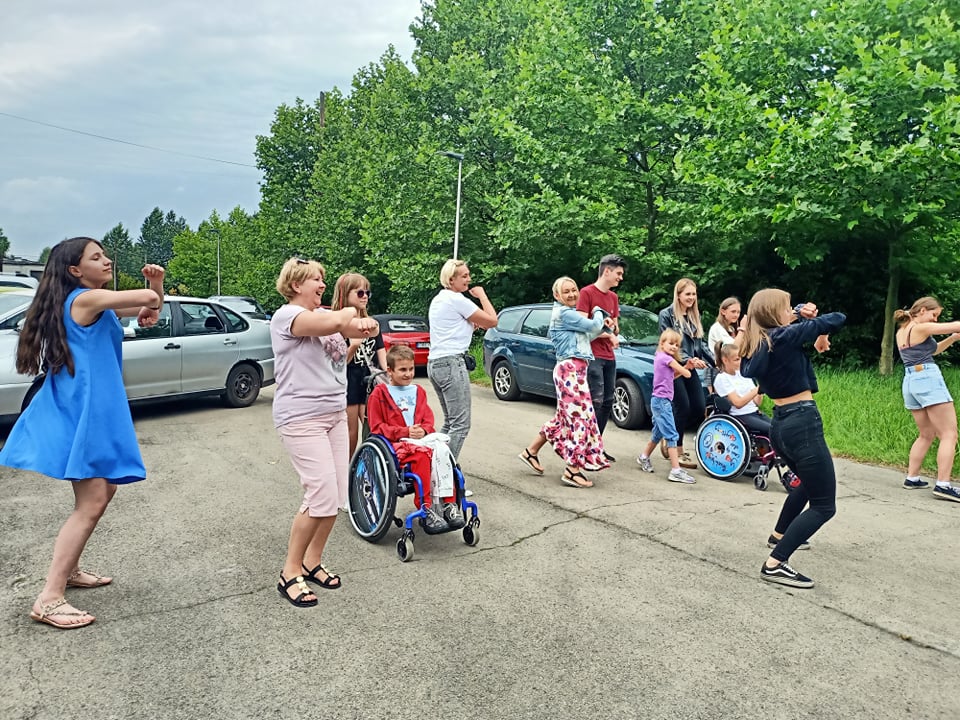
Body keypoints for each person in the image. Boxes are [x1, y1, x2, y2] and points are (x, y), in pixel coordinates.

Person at [0, 237, 164, 629]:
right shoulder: (84, 300)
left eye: (105, 255)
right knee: (91, 501)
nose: (107, 261)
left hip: (93, 407)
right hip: (84, 411)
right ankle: (49, 597)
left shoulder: (90, 302)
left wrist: (155, 288)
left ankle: (69, 570)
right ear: (75, 270)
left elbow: (149, 308)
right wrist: (151, 289)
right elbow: (146, 300)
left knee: (103, 491)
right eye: (97, 257)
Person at [271, 257, 379, 607]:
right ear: (295, 285)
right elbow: (340, 321)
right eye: (315, 279)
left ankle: (311, 561)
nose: (322, 284)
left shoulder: (325, 317)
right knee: (319, 494)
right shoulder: (287, 316)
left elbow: (366, 329)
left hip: (333, 414)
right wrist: (350, 313)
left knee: (334, 496)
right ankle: (290, 572)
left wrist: (362, 322)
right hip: (301, 418)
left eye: (323, 279)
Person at [738, 289, 845, 589]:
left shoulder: (760, 343)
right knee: (825, 506)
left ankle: (779, 535)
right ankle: (775, 563)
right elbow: (837, 318)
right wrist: (808, 317)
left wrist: (797, 313)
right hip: (802, 423)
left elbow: (790, 327)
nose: (791, 312)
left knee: (809, 485)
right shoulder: (784, 337)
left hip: (781, 425)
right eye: (786, 308)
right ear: (775, 314)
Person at [518, 277, 613, 488]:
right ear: (557, 295)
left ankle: (531, 452)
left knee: (563, 419)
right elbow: (593, 324)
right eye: (566, 291)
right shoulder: (565, 313)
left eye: (574, 290)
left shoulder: (568, 315)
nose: (572, 294)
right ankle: (572, 470)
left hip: (574, 370)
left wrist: (604, 328)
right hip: (570, 371)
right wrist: (599, 311)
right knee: (579, 419)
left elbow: (588, 334)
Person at [367, 344, 463, 530]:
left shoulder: (419, 391)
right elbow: (376, 427)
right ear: (390, 371)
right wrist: (405, 432)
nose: (408, 374)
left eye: (411, 369)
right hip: (395, 445)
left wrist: (424, 431)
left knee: (443, 450)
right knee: (422, 455)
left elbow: (428, 420)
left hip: (420, 440)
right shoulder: (379, 394)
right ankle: (426, 508)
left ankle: (449, 504)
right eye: (402, 370)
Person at [426, 259, 498, 460]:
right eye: (464, 276)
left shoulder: (439, 299)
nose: (469, 279)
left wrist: (470, 325)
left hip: (435, 363)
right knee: (460, 424)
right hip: (452, 363)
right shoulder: (457, 299)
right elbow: (492, 321)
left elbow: (455, 328)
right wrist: (482, 295)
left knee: (450, 422)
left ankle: (432, 464)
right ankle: (444, 471)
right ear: (451, 279)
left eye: (468, 275)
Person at [714, 342, 802, 500]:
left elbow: (757, 402)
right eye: (736, 359)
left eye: (741, 358)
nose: (740, 362)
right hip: (739, 415)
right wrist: (757, 389)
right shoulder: (722, 379)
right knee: (774, 431)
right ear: (725, 360)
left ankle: (791, 465)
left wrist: (762, 385)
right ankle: (790, 469)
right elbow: (738, 403)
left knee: (782, 427)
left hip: (753, 412)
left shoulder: (743, 375)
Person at [894, 297, 960, 500]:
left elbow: (933, 350)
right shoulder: (920, 328)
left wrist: (952, 339)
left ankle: (912, 478)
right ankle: (943, 485)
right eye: (934, 315)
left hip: (911, 381)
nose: (935, 319)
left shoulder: (903, 331)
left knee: (926, 434)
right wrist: (954, 330)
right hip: (928, 378)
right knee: (949, 434)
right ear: (922, 310)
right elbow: (957, 324)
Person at [576, 254, 626, 462]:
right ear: (607, 271)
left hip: (609, 355)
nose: (621, 278)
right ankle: (584, 448)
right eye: (618, 273)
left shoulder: (613, 297)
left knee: (607, 401)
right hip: (592, 355)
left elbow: (615, 326)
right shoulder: (586, 293)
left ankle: (596, 445)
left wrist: (613, 329)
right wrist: (608, 334)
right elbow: (582, 326)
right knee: (595, 401)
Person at [331, 272, 386, 458]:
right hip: (349, 379)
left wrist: (387, 375)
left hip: (369, 379)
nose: (365, 297)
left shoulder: (371, 322)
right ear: (345, 294)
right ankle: (345, 468)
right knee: (350, 432)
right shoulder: (337, 324)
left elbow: (380, 349)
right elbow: (338, 364)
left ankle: (368, 467)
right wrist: (354, 345)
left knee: (373, 428)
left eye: (367, 293)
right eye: (360, 293)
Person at [658, 278, 711, 468]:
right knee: (683, 407)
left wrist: (717, 362)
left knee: (698, 407)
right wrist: (689, 360)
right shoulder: (667, 315)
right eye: (688, 294)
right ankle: (678, 450)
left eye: (694, 294)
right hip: (673, 368)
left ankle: (668, 433)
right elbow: (670, 344)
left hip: (690, 367)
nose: (691, 297)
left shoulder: (693, 316)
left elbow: (701, 345)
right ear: (678, 295)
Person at [635, 329, 696, 484]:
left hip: (660, 401)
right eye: (671, 343)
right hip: (662, 402)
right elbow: (686, 374)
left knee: (657, 434)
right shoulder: (666, 358)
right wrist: (688, 368)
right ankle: (675, 470)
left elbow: (673, 376)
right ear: (662, 344)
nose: (674, 347)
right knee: (672, 435)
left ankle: (643, 457)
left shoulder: (661, 358)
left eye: (677, 345)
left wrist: (686, 367)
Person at [706, 296, 741, 393]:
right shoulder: (717, 328)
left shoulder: (731, 329)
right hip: (718, 369)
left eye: (738, 312)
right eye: (733, 312)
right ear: (723, 311)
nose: (736, 315)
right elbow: (733, 347)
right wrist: (742, 330)